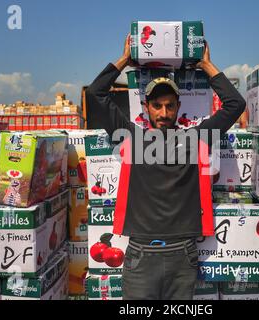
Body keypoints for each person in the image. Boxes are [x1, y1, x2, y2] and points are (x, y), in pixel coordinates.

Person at [86, 34, 245, 300]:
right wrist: (124, 59)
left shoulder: (194, 140)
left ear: (178, 108)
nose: (163, 112)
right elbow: (95, 94)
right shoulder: (131, 138)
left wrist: (207, 65)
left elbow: (235, 104)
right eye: (157, 106)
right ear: (146, 108)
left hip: (183, 255)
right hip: (140, 255)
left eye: (169, 106)